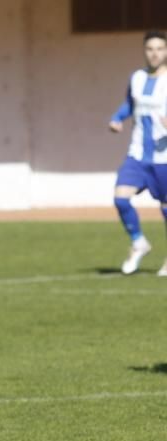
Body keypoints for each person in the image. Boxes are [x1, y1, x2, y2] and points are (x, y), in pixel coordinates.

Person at [108, 30, 167, 277]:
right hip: (137, 154)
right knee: (121, 198)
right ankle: (139, 242)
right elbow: (130, 105)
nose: (154, 54)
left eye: (160, 49)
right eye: (150, 49)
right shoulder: (137, 78)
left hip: (164, 157)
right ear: (145, 51)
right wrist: (117, 118)